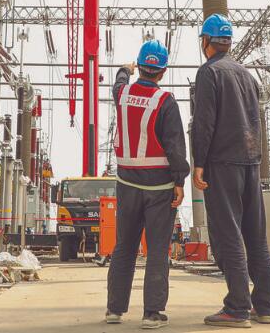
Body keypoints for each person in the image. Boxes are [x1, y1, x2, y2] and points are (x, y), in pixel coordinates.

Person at [191, 14, 270, 328]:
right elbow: (257, 122)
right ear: (227, 41)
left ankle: (238, 308)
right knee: (256, 237)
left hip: (223, 164)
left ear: (206, 41)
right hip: (251, 163)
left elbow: (204, 122)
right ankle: (264, 306)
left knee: (228, 235)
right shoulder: (247, 75)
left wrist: (199, 163)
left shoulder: (209, 72)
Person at [106, 39, 190, 329]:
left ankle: (114, 310)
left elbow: (118, 82)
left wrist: (124, 70)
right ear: (163, 72)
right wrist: (179, 180)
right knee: (156, 250)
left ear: (140, 67)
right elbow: (175, 146)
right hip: (159, 188)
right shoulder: (165, 101)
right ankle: (152, 314)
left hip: (127, 183)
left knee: (124, 247)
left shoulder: (122, 94)